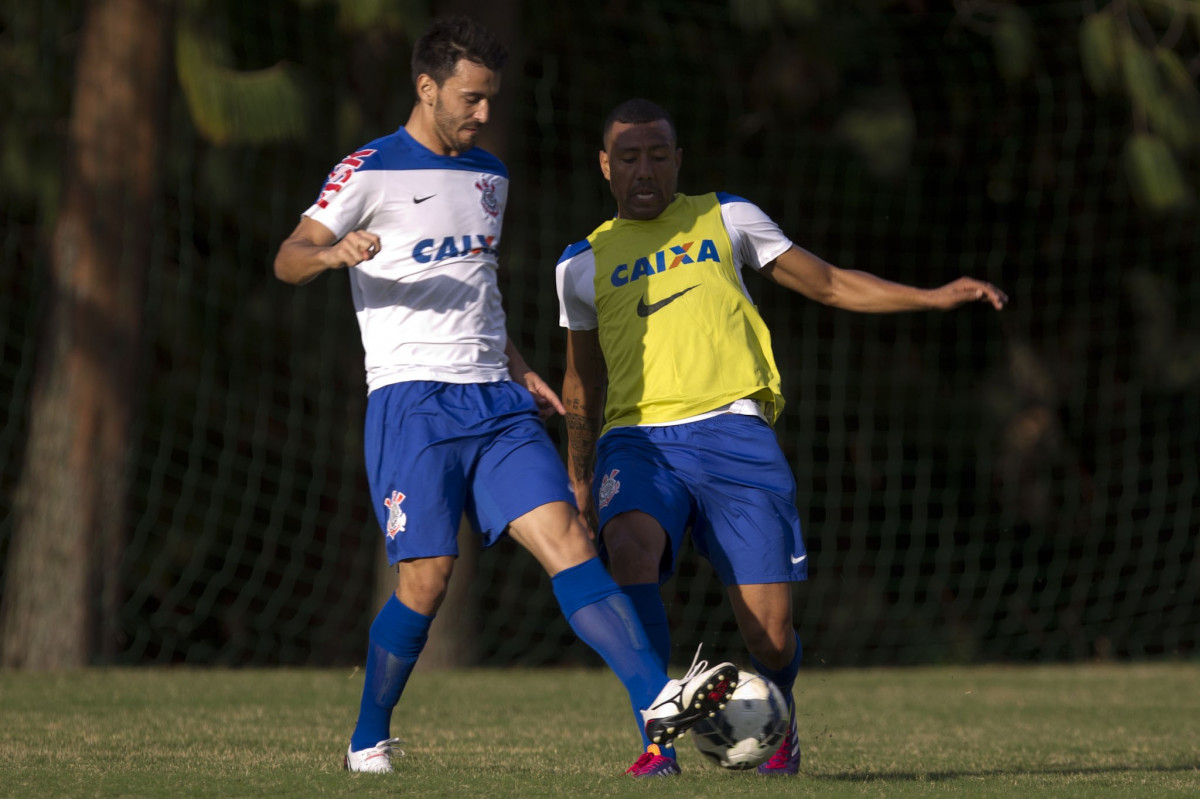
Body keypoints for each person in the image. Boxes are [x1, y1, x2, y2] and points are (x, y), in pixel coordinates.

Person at [273, 25, 738, 777]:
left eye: (492, 97)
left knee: (571, 543)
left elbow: (476, 286)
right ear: (427, 89)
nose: (484, 112)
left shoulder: (490, 174)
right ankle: (368, 736)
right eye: (471, 97)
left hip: (495, 400)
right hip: (412, 403)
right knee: (426, 580)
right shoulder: (367, 170)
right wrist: (332, 253)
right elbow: (288, 256)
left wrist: (518, 362)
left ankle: (657, 706)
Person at [556, 98, 1009, 777]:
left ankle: (779, 723)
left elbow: (826, 283)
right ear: (604, 165)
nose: (644, 168)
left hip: (735, 430)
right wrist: (581, 474)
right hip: (639, 439)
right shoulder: (581, 262)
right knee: (628, 550)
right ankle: (658, 742)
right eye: (629, 156)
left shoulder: (727, 216)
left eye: (657, 154)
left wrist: (930, 296)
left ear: (678, 160)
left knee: (767, 635)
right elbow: (580, 385)